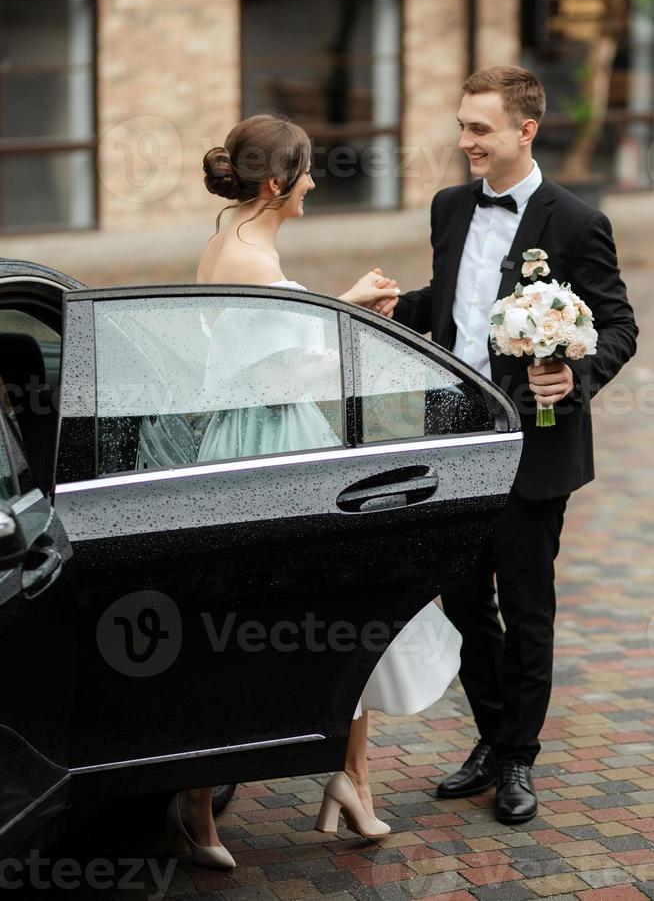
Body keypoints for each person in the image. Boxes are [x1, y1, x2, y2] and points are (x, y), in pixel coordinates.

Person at [166, 114, 462, 868]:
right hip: (268, 449)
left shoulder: (235, 229)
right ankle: (199, 805)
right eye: (304, 173)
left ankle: (351, 781)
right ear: (276, 184)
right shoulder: (251, 260)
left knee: (344, 612)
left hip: (283, 438)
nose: (314, 182)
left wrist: (338, 308)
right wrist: (350, 308)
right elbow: (276, 375)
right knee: (254, 629)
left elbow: (263, 349)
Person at [393, 66, 638, 824]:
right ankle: (494, 739)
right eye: (462, 126)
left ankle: (520, 759)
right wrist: (392, 305)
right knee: (464, 600)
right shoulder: (448, 208)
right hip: (454, 438)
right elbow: (455, 302)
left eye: (479, 129)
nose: (464, 141)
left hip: (534, 447)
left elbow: (619, 323)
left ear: (525, 131)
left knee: (528, 609)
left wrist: (578, 373)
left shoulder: (576, 222)